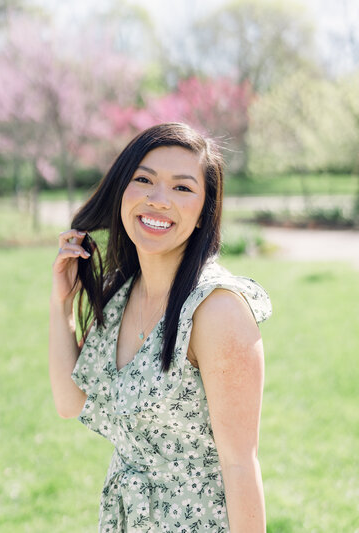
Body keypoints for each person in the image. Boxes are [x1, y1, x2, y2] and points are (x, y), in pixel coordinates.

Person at [49, 122, 272, 532]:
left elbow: (241, 465)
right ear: (122, 191)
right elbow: (71, 401)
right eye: (144, 179)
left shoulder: (216, 309)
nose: (158, 200)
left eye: (182, 188)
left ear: (205, 214)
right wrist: (61, 301)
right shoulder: (123, 292)